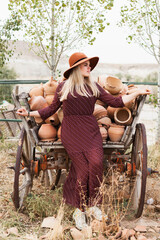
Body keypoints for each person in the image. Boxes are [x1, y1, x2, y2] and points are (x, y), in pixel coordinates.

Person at [16, 52, 150, 230]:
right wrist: (29, 113)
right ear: (76, 68)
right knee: (82, 169)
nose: (89, 67)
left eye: (89, 65)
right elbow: (50, 109)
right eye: (85, 64)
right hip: (71, 131)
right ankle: (79, 210)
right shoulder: (63, 87)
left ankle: (93, 205)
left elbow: (116, 101)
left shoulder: (93, 87)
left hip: (91, 130)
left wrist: (138, 92)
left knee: (95, 164)